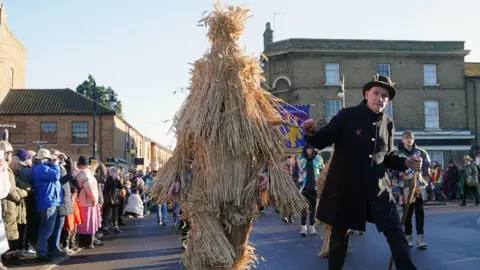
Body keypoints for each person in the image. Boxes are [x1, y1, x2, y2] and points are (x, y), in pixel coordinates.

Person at [302, 74, 421, 270]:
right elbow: (321, 141)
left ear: (388, 101)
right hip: (347, 189)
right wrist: (310, 132)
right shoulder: (346, 116)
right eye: (376, 93)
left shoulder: (388, 123)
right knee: (339, 239)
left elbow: (388, 156)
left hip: (378, 190)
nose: (379, 98)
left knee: (396, 232)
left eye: (384, 95)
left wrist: (406, 162)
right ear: (366, 94)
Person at [396, 130, 429, 249]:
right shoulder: (397, 153)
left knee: (420, 212)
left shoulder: (421, 153)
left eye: (411, 137)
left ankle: (420, 237)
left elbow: (427, 168)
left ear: (413, 139)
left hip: (418, 187)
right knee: (407, 214)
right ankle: (408, 236)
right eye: (406, 137)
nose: (409, 139)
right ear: (402, 140)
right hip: (404, 187)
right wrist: (396, 188)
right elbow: (393, 172)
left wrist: (425, 183)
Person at [297, 145, 323, 236]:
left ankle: (312, 227)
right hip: (304, 187)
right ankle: (303, 227)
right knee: (304, 208)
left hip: (314, 188)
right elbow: (297, 173)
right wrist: (298, 184)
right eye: (308, 149)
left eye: (311, 149)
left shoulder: (318, 159)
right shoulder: (301, 160)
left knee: (313, 209)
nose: (309, 150)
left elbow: (322, 172)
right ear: (305, 150)